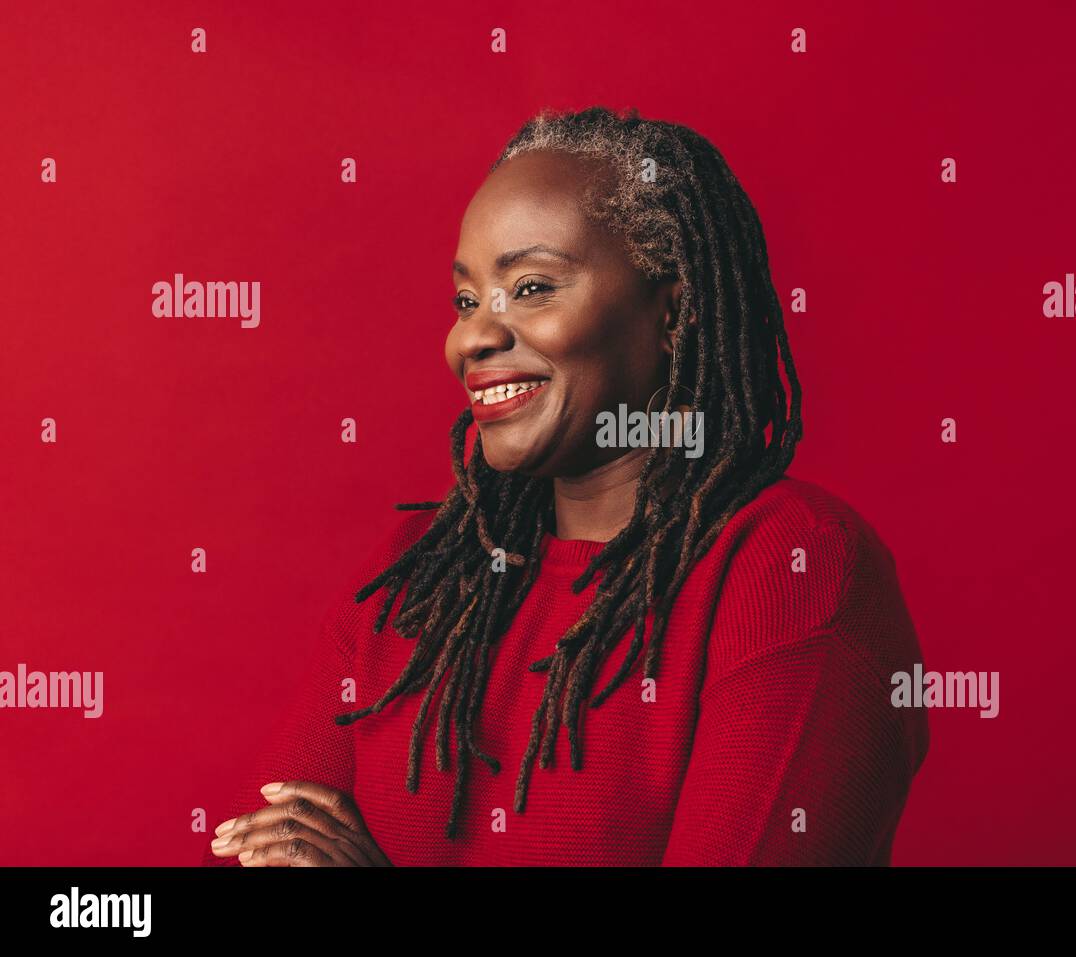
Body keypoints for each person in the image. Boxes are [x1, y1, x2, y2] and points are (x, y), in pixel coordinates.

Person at [203, 105, 929, 867]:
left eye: (533, 286)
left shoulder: (792, 568)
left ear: (673, 309)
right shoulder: (416, 575)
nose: (473, 336)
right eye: (466, 299)